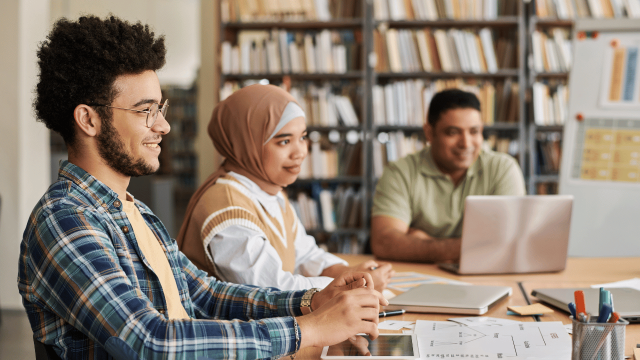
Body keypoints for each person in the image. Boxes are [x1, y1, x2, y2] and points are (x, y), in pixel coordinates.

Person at [18, 15, 387, 359]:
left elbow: (204, 295)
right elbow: (151, 342)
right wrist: (309, 328)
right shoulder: (64, 220)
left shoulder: (134, 211)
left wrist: (313, 301)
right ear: (88, 119)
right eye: (146, 110)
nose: (163, 126)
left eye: (160, 108)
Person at [177, 84, 394, 291]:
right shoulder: (226, 207)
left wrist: (348, 272)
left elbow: (305, 255)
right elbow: (274, 290)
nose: (300, 152)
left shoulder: (270, 193)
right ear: (247, 143)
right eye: (284, 141)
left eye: (303, 137)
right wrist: (349, 285)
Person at [370, 89, 526, 263]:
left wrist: (423, 241)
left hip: (485, 276)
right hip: (421, 279)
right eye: (453, 132)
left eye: (474, 132)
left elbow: (510, 243)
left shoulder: (503, 169)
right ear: (429, 133)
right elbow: (384, 242)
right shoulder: (400, 172)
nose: (466, 143)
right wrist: (474, 246)